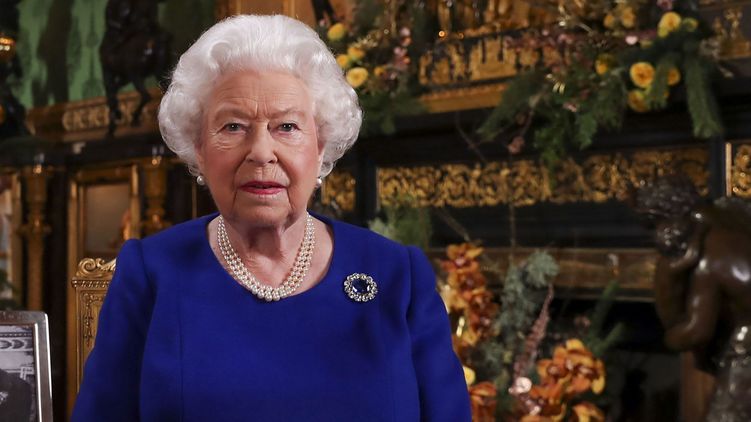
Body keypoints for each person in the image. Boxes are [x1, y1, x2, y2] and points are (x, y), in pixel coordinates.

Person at [72, 14, 471, 422]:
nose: (261, 152)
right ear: (199, 149)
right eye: (233, 126)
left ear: (321, 145)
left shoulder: (398, 275)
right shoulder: (150, 272)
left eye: (287, 126)